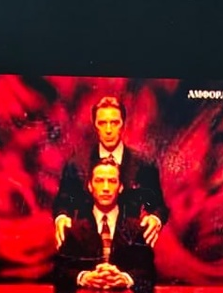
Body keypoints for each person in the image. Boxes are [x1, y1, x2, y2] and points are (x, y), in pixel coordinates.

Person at [54, 159, 155, 293]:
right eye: (100, 181)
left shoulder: (137, 228)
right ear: (90, 186)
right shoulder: (74, 229)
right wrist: (84, 277)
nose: (106, 187)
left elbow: (148, 271)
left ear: (121, 187)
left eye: (112, 181)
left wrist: (125, 278)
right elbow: (59, 270)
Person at [53, 96, 168, 249]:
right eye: (102, 123)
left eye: (114, 123)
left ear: (123, 124)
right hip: (87, 248)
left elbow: (159, 206)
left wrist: (155, 218)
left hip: (129, 248)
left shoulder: (144, 165)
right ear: (95, 125)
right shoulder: (77, 164)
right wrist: (61, 217)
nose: (108, 130)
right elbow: (62, 202)